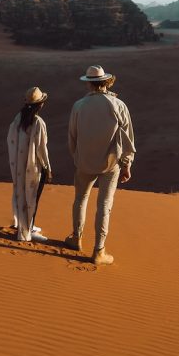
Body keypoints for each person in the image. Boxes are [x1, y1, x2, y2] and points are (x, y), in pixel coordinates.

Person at [67, 65, 136, 265]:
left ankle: (76, 238)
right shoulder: (118, 105)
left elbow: (72, 137)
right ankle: (99, 250)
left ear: (89, 83)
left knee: (81, 199)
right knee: (104, 206)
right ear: (106, 82)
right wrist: (127, 164)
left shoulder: (78, 105)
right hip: (111, 163)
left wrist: (78, 158)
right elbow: (128, 139)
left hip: (84, 163)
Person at [6, 86, 53, 243]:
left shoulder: (18, 119)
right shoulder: (38, 122)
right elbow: (41, 148)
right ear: (40, 104)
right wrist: (47, 167)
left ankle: (24, 225)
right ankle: (28, 230)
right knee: (32, 197)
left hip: (18, 167)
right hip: (33, 167)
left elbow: (10, 141)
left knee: (21, 194)